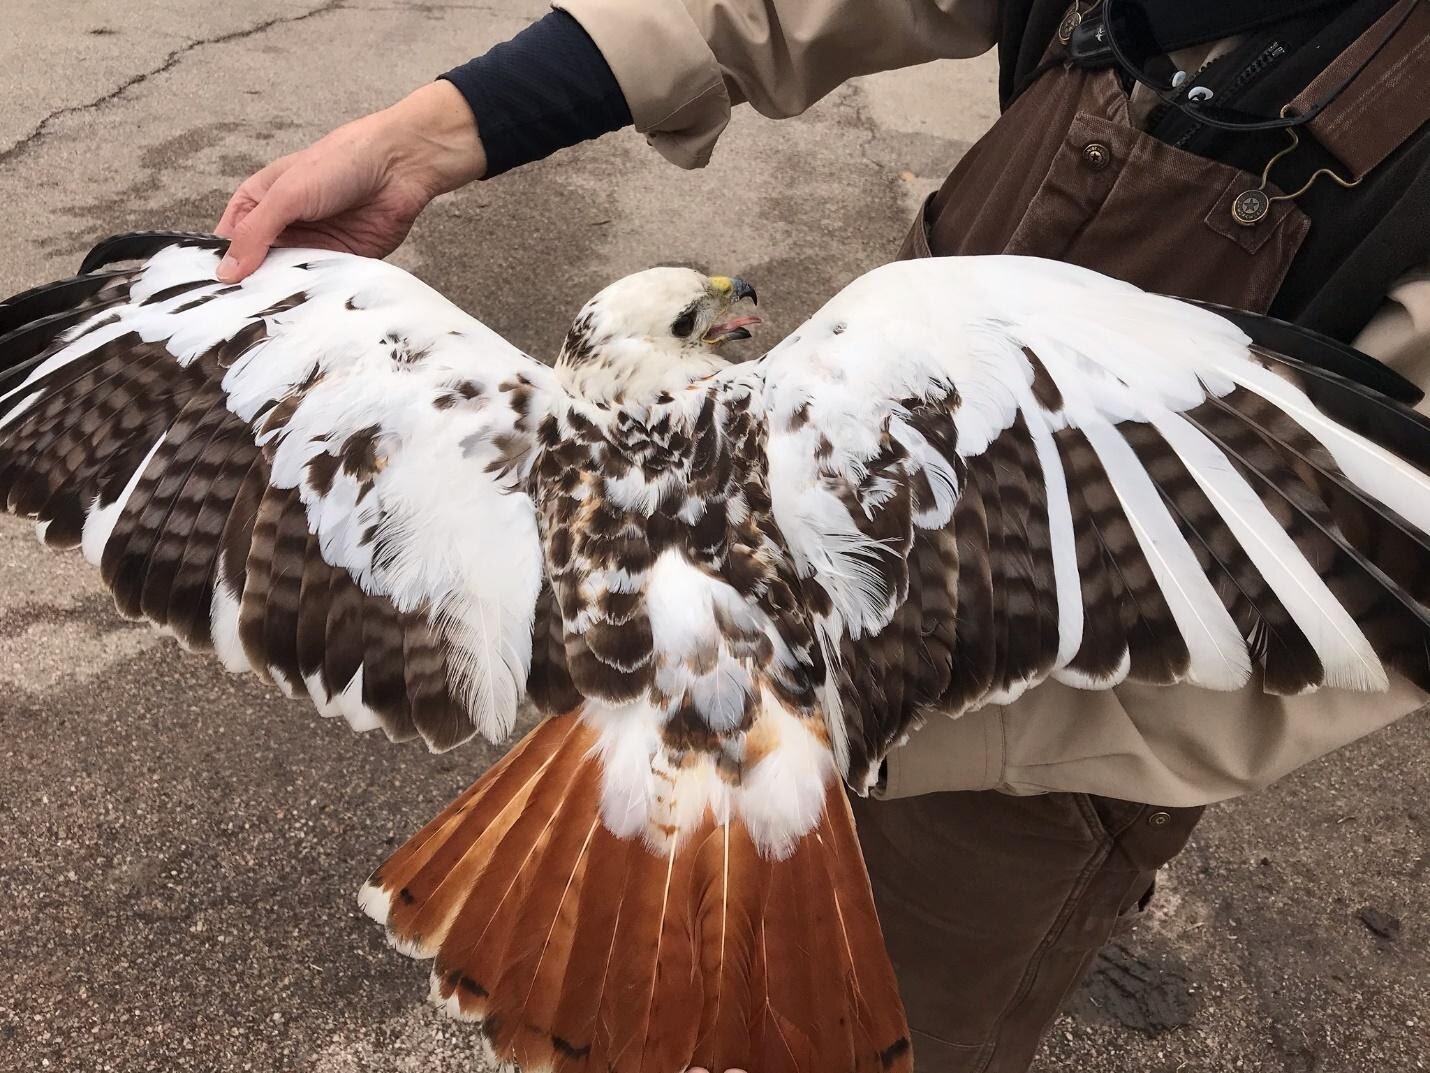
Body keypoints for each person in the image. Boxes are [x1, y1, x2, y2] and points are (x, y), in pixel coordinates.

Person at [215, 2, 1430, 1069]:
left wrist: (861, 701)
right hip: (748, 655)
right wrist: (423, 133)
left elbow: (1362, 575)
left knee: (871, 1029)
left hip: (1044, 757)